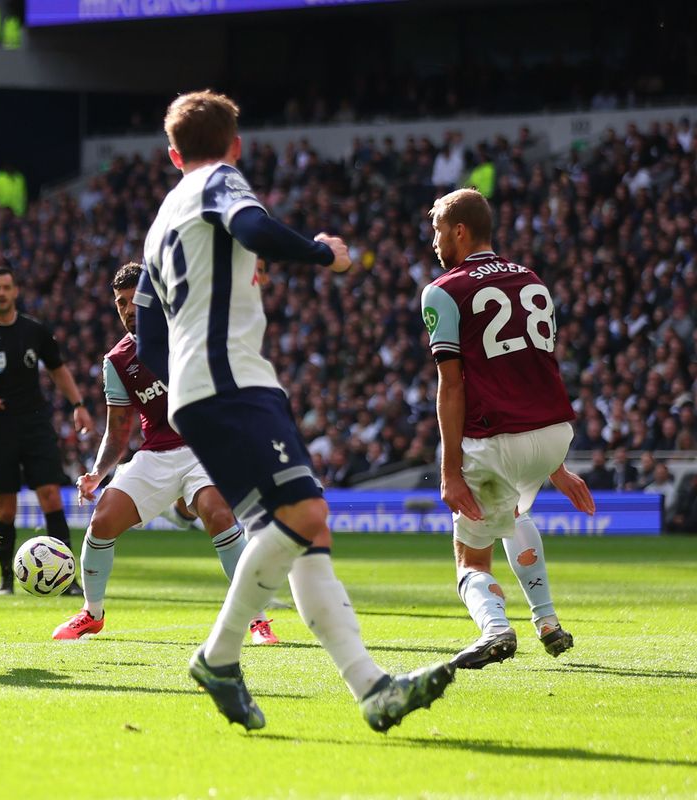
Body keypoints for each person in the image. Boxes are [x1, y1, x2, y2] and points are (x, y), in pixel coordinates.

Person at [135, 90, 453, 733]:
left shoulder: (161, 219)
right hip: (233, 383)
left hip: (204, 391)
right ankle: (218, 657)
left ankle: (372, 689)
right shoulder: (219, 181)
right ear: (236, 146)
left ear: (173, 154)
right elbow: (252, 227)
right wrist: (320, 253)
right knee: (305, 515)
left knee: (307, 538)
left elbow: (145, 335)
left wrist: (188, 392)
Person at [52, 262, 277, 645]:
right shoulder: (118, 361)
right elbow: (118, 430)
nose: (126, 309)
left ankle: (257, 619)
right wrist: (97, 473)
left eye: (134, 300)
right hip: (158, 454)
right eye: (120, 303)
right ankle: (92, 613)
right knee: (103, 519)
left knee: (217, 512)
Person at [421, 188, 595, 669]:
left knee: (470, 557)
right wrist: (556, 466)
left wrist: (450, 470)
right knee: (514, 513)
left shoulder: (443, 291)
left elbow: (451, 386)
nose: (433, 241)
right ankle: (547, 621)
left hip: (497, 441)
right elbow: (532, 371)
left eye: (437, 230)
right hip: (555, 431)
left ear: (459, 231)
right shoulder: (532, 279)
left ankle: (496, 630)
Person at [0, 266, 93, 595]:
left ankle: (67, 579)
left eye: (6, 287)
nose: (1, 293)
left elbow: (59, 370)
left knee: (51, 496)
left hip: (35, 424)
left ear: (15, 291)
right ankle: (5, 580)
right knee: (6, 507)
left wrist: (79, 405)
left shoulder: (34, 331)